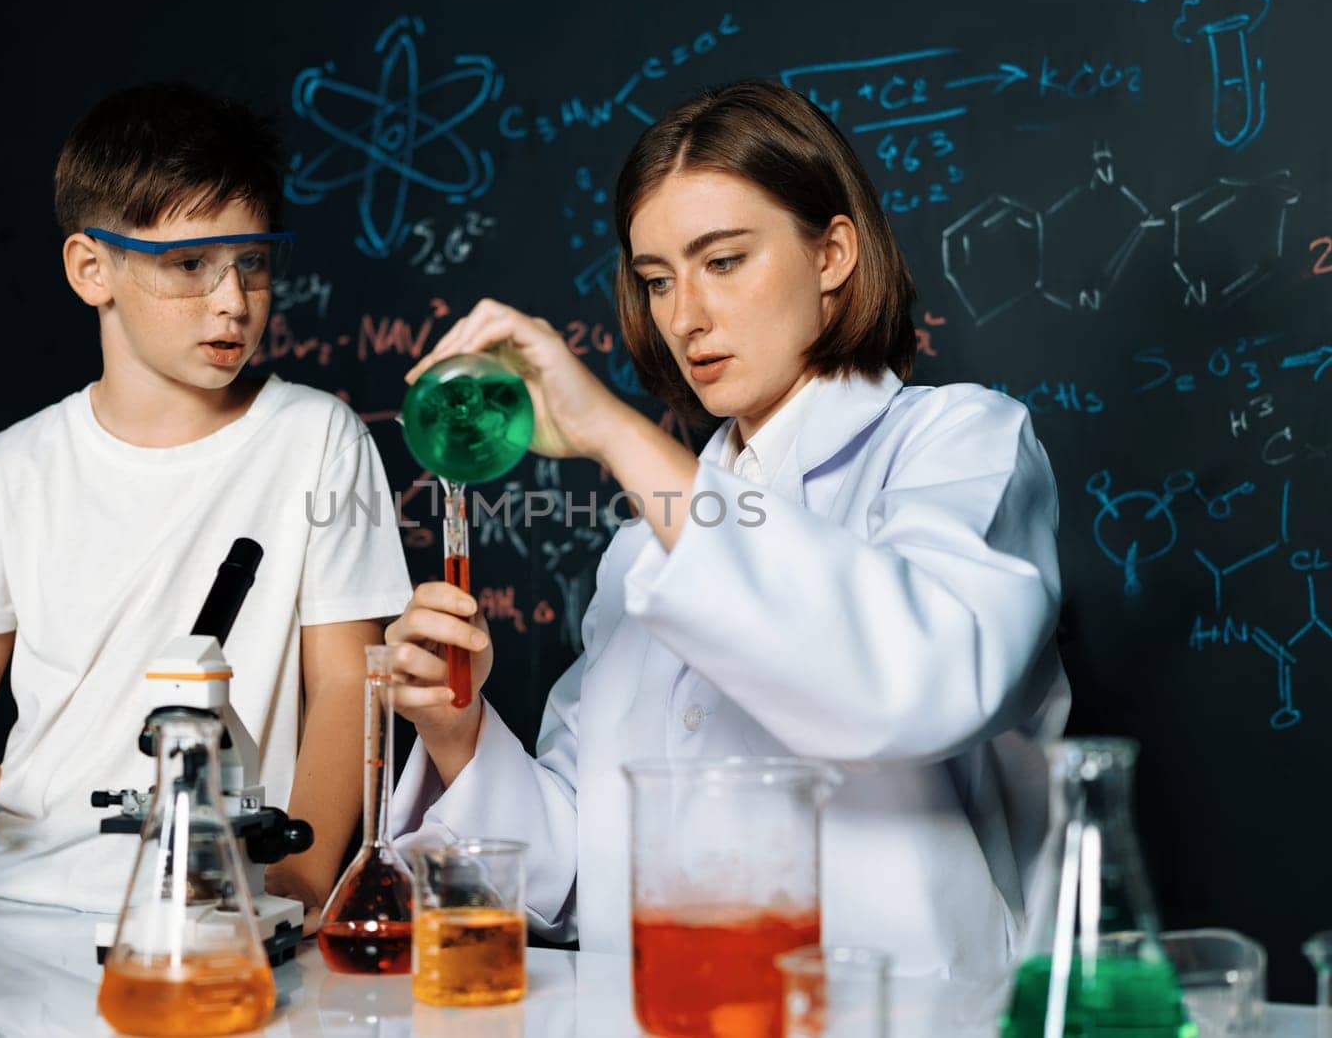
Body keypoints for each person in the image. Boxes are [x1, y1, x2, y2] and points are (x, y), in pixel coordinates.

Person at [383, 80, 1069, 977]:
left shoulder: (957, 444)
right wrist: (458, 733)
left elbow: (913, 680)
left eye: (725, 261)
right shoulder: (643, 549)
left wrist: (615, 431)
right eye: (658, 280)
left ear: (832, 253)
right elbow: (586, 868)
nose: (684, 319)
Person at [0, 84, 413, 923]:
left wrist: (303, 882)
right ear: (90, 268)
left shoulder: (317, 439)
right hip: (20, 903)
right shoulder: (14, 470)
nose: (232, 300)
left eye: (252, 261)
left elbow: (351, 683)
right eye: (189, 265)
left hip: (224, 917)